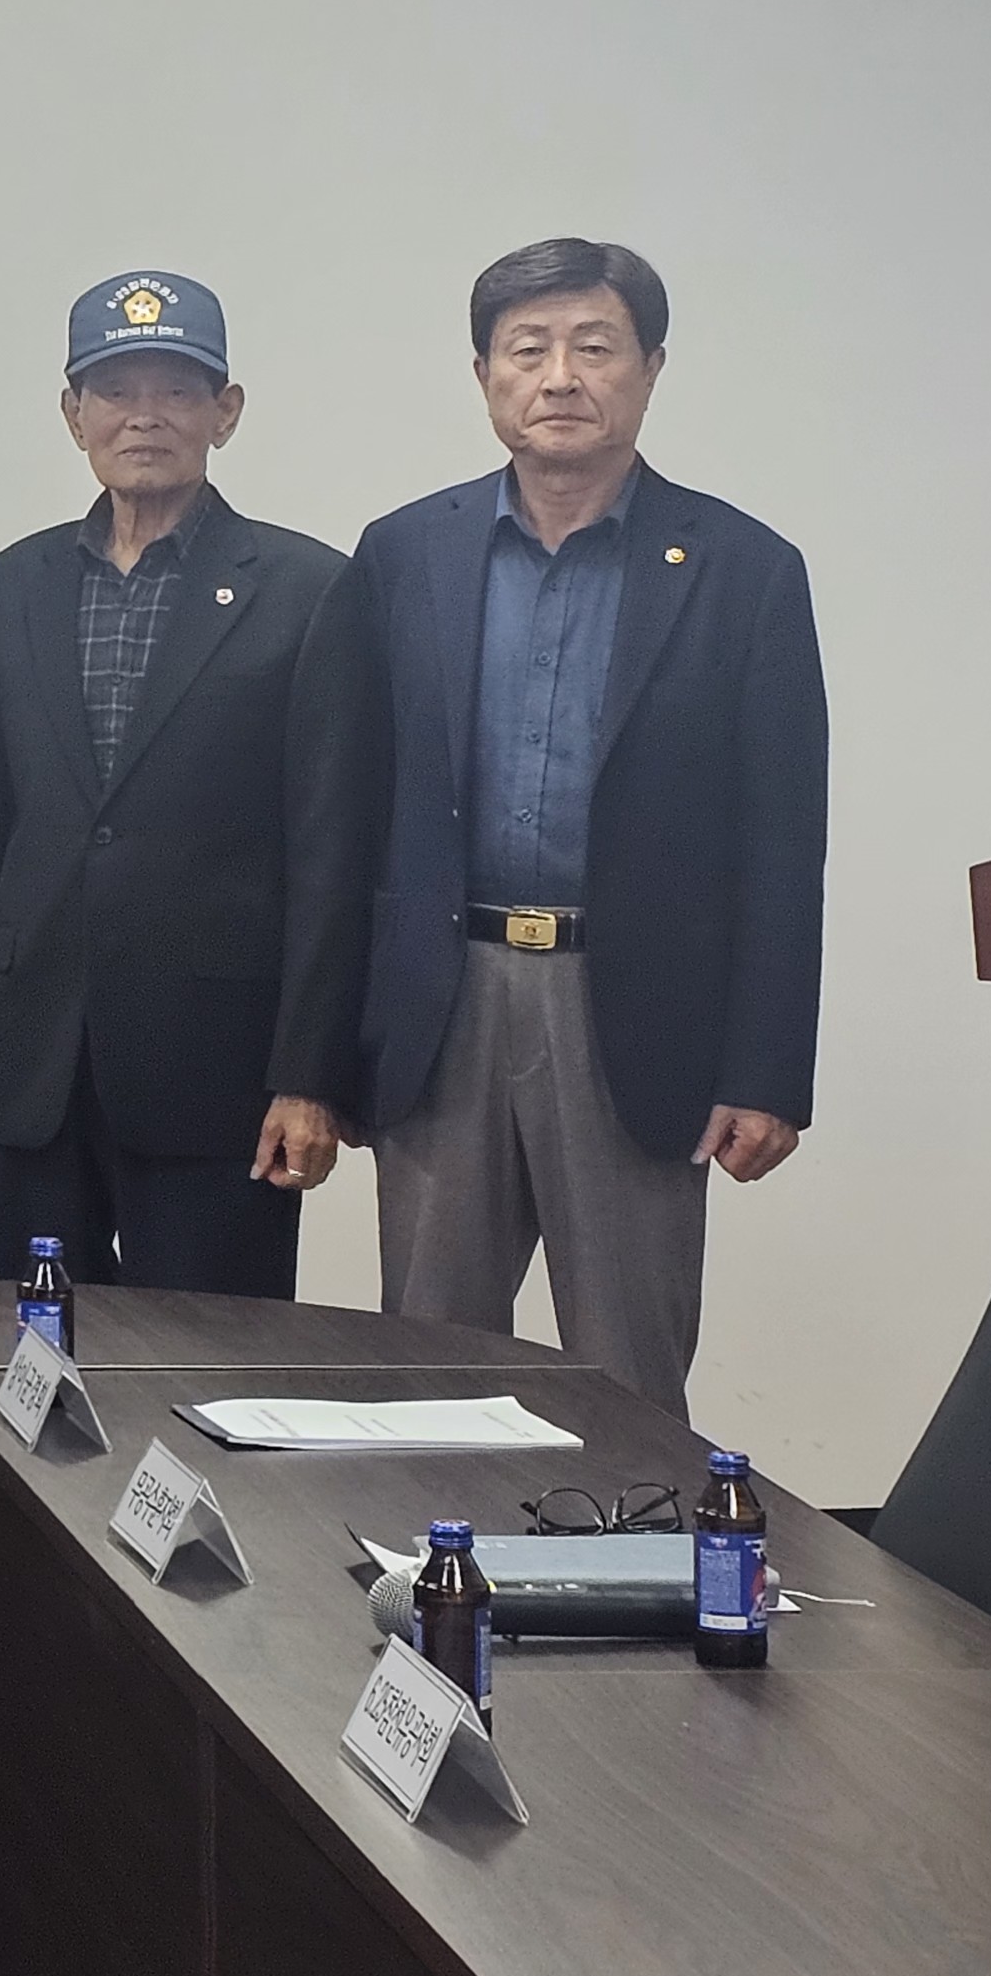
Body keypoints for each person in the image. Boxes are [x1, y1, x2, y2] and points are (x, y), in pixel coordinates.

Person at [334, 239, 824, 1415]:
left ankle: (638, 1543)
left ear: (649, 369)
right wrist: (329, 1047)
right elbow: (348, 809)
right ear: (483, 376)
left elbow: (781, 843)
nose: (559, 376)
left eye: (593, 347)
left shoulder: (742, 569)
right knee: (427, 1365)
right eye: (528, 349)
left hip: (631, 1013)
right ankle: (440, 1545)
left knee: (629, 1380)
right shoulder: (403, 553)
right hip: (442, 1003)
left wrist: (766, 1071)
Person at [0, 272, 372, 1299]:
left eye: (177, 390)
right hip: (29, 1068)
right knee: (34, 1364)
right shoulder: (7, 587)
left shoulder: (309, 589)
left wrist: (308, 1077)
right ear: (73, 415)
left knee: (209, 1367)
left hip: (217, 1074)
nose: (144, 416)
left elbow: (332, 854)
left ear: (225, 412)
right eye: (114, 390)